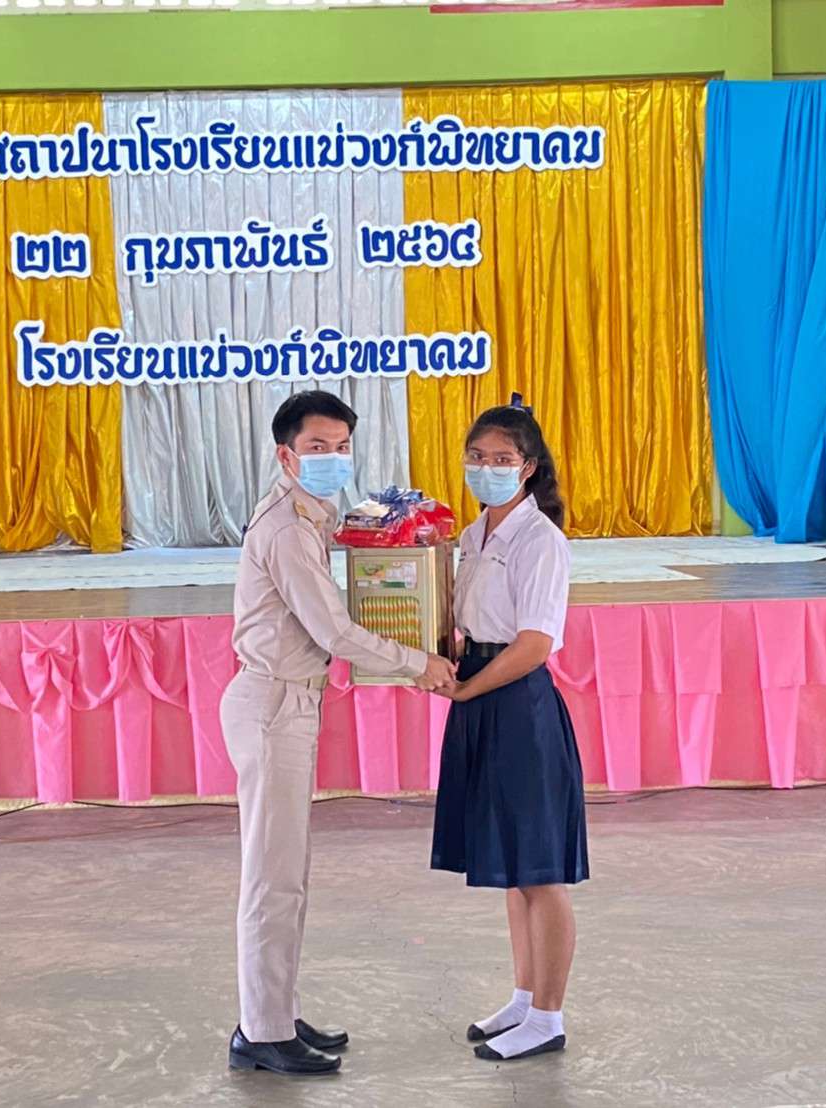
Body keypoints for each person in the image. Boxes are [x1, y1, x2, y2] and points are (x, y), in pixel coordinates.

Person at [223, 389, 457, 1077]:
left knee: (287, 874)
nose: (332, 458)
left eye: (342, 446)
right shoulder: (287, 529)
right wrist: (419, 663)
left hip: (288, 702)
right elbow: (333, 630)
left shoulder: (310, 515)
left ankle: (274, 1013)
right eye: (317, 447)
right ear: (286, 454)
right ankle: (262, 1032)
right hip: (273, 706)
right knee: (273, 879)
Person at [431, 398, 588, 1063]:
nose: (487, 468)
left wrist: (467, 687)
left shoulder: (541, 540)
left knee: (540, 870)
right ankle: (524, 998)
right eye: (477, 457)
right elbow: (462, 622)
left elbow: (534, 644)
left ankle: (548, 1017)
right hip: (479, 693)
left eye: (502, 459)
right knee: (512, 867)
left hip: (517, 702)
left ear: (528, 468)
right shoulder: (472, 536)